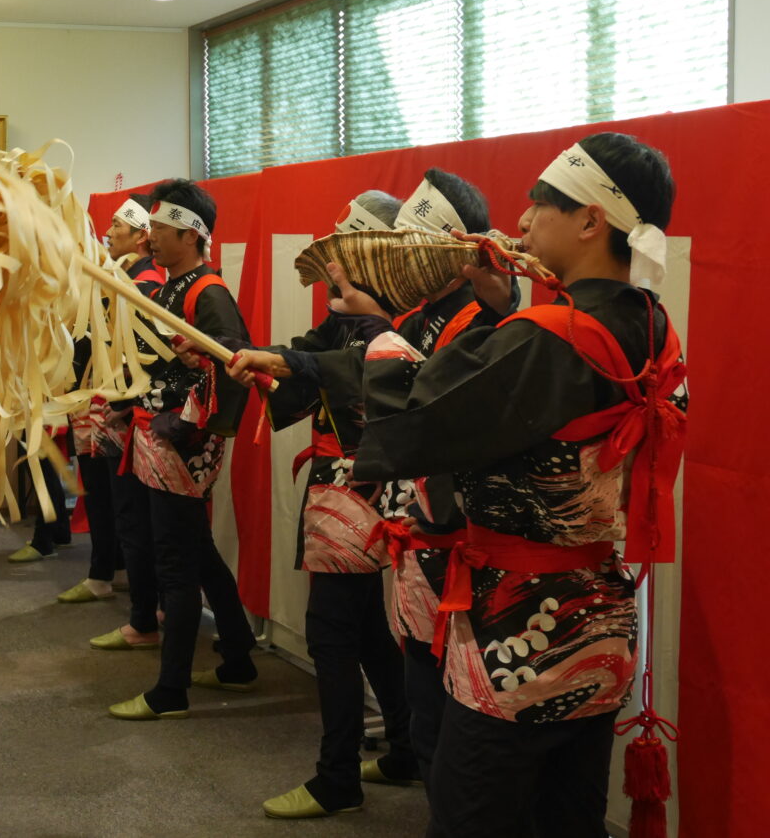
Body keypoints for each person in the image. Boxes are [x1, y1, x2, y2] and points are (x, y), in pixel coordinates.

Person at [231, 133, 686, 837]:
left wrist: (378, 339)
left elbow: (421, 418)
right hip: (600, 610)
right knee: (568, 813)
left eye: (540, 203)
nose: (523, 220)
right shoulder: (650, 323)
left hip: (523, 629)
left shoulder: (550, 334)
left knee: (470, 810)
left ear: (592, 220)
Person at [106, 178, 258, 720]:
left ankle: (170, 691)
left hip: (182, 443)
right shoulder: (170, 286)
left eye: (160, 229)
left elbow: (236, 365)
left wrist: (196, 429)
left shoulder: (207, 292)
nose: (149, 238)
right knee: (197, 552)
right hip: (158, 433)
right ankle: (238, 658)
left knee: (176, 562)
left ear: (191, 235)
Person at [59, 195, 164, 601]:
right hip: (98, 398)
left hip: (119, 405)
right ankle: (108, 570)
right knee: (101, 493)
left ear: (141, 236)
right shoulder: (117, 276)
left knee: (117, 499)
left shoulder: (144, 283)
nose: (109, 232)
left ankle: (114, 579)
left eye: (118, 225)